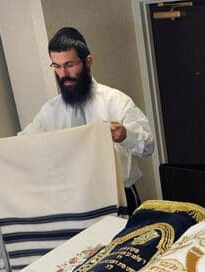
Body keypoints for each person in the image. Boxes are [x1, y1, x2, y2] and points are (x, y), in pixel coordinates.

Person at [20, 27, 154, 210]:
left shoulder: (116, 101)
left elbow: (148, 147)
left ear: (88, 61)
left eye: (69, 65)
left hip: (120, 199)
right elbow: (22, 146)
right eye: (57, 66)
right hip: (73, 205)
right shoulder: (50, 111)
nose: (63, 74)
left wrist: (124, 135)